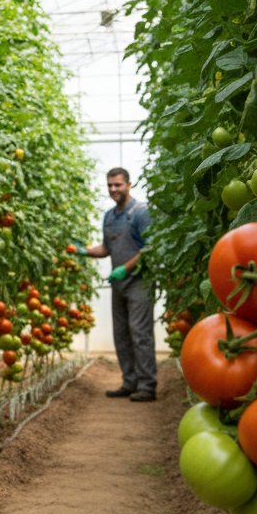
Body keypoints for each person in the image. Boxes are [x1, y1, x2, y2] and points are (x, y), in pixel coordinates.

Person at [79, 168, 157, 401]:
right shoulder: (110, 216)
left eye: (118, 185)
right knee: (121, 334)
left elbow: (149, 248)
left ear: (128, 185)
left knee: (140, 333)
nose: (113, 189)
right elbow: (106, 248)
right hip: (120, 285)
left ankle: (147, 385)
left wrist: (125, 268)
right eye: (110, 185)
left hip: (139, 282)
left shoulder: (141, 213)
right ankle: (130, 382)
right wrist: (84, 251)